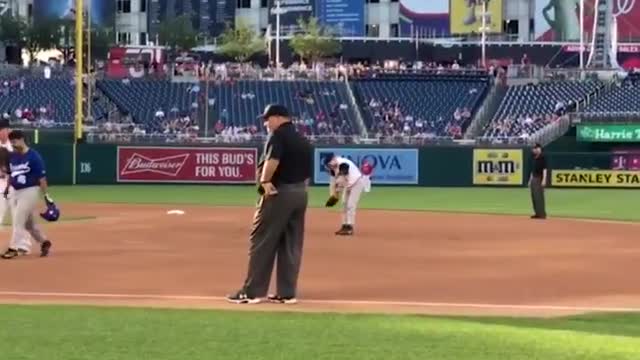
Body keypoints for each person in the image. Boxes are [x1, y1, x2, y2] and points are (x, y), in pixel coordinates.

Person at [227, 104, 312, 305]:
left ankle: (252, 292)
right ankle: (287, 293)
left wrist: (265, 182)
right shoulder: (303, 139)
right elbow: (308, 173)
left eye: (267, 119)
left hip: (279, 192)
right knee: (291, 243)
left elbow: (272, 161)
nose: (265, 123)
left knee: (263, 240)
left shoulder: (278, 136)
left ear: (279, 118)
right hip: (301, 193)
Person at [1, 130, 53, 259]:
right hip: (15, 190)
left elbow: (42, 178)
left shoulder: (34, 156)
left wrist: (46, 196)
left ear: (22, 139)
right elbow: (11, 174)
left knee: (18, 218)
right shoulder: (12, 156)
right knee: (29, 224)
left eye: (15, 141)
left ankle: (13, 248)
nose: (13, 144)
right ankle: (44, 242)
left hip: (30, 190)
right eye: (11, 142)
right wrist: (8, 188)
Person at [324, 153, 369, 236]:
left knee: (351, 205)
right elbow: (332, 183)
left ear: (334, 159)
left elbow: (341, 180)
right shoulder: (332, 168)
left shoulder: (343, 164)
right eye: (328, 164)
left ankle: (350, 227)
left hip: (357, 183)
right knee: (344, 204)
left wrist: (337, 191)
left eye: (330, 163)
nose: (329, 166)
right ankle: (344, 226)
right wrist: (333, 196)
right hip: (348, 185)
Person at [530, 143, 547, 220]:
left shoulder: (542, 157)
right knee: (534, 197)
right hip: (534, 178)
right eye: (534, 148)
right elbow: (532, 170)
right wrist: (530, 180)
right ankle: (537, 213)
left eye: (535, 148)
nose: (534, 149)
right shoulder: (534, 157)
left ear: (539, 148)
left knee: (539, 197)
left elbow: (544, 169)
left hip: (539, 178)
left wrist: (544, 180)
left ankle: (542, 214)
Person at [0, 120, 12, 229]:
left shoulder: (13, 144)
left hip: (13, 182)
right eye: (3, 130)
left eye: (7, 130)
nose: (5, 132)